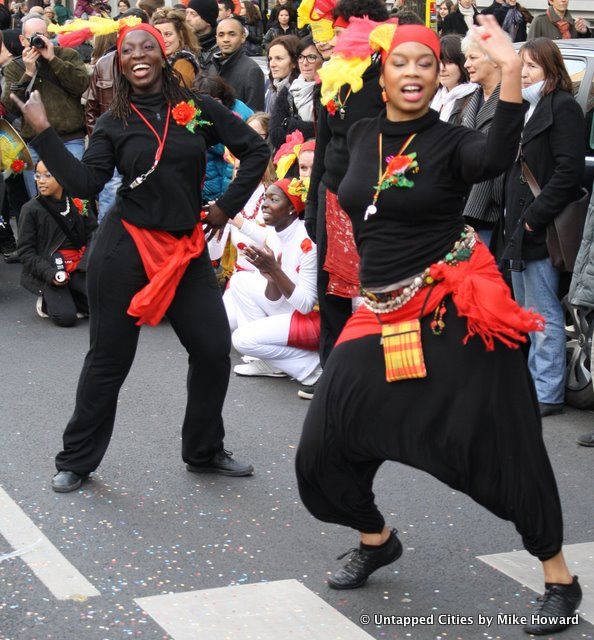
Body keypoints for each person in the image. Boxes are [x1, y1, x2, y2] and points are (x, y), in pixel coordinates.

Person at [295, 17, 582, 637]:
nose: (413, 73)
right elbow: (341, 188)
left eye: (425, 63)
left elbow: (497, 155)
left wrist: (510, 69)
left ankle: (559, 577)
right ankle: (377, 539)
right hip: (377, 309)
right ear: (383, 74)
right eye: (400, 62)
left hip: (448, 306)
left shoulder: (453, 141)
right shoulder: (363, 131)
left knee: (498, 442)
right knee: (323, 445)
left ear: (437, 75)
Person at [10, 22, 269, 492]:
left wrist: (227, 206)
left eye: (147, 46)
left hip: (185, 248)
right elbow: (87, 183)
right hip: (125, 249)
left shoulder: (197, 108)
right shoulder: (113, 122)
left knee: (213, 350)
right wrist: (43, 131)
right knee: (109, 358)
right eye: (127, 51)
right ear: (119, 63)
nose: (138, 55)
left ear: (162, 54)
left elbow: (255, 150)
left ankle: (204, 450)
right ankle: (76, 460)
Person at [303, 0, 389, 389]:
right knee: (330, 291)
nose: (333, 41)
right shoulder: (333, 76)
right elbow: (323, 144)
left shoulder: (388, 77)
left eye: (341, 33)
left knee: (376, 288)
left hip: (373, 200)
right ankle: (333, 374)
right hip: (332, 193)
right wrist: (312, 203)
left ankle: (378, 375)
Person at [504, 37, 585, 418]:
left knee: (542, 311)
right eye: (521, 65)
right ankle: (533, 386)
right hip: (519, 224)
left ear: (551, 70)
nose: (523, 73)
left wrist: (534, 217)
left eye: (532, 66)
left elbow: (568, 171)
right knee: (526, 310)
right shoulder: (527, 106)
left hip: (540, 225)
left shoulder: (563, 106)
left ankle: (547, 391)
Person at [226, 178, 322, 387]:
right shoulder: (273, 232)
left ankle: (311, 367)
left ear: (292, 209)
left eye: (273, 199)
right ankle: (269, 361)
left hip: (314, 320)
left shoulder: (308, 241)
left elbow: (306, 305)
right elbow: (274, 299)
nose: (265, 204)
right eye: (265, 198)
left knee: (241, 340)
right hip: (291, 309)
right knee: (240, 280)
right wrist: (271, 278)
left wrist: (275, 271)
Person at [1, 16, 89, 198]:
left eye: (41, 36)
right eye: (32, 37)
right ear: (22, 40)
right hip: (36, 144)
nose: (37, 42)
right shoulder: (15, 67)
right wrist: (28, 73)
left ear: (49, 36)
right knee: (40, 200)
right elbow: (10, 106)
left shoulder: (68, 55)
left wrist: (53, 59)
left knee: (77, 195)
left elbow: (81, 85)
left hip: (70, 139)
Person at [17, 160, 97, 326]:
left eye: (48, 175)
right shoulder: (30, 209)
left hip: (76, 266)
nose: (41, 181)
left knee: (104, 306)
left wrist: (84, 264)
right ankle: (46, 303)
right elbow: (25, 252)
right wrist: (50, 274)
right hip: (49, 268)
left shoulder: (78, 202)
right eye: (37, 176)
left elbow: (94, 235)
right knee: (66, 317)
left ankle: (73, 295)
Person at [459, 29, 504, 248]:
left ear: (494, 60)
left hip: (492, 214)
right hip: (463, 207)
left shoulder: (512, 101)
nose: (466, 64)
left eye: (473, 57)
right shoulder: (470, 99)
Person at [269, 36, 322, 150]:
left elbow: (326, 131)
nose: (304, 63)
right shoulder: (289, 91)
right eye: (301, 57)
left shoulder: (329, 89)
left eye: (311, 57)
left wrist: (291, 124)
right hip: (291, 156)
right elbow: (275, 135)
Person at [209, 16, 265, 111]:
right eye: (221, 35)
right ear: (216, 39)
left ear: (243, 37)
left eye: (232, 34)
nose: (226, 39)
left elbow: (255, 113)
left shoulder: (252, 70)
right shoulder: (212, 66)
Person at [430, 34, 477, 125]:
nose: (442, 68)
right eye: (438, 62)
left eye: (449, 62)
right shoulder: (431, 96)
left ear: (462, 63)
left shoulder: (475, 99)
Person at [152, 8, 201, 89]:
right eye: (158, 35)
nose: (163, 40)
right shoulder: (158, 60)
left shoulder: (183, 63)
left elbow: (178, 93)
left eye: (168, 34)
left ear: (180, 35)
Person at [264, 35, 299, 118]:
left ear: (294, 62)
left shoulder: (301, 91)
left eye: (278, 58)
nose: (272, 64)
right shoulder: (273, 87)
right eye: (270, 59)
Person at [185, 0, 219, 71]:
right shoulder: (184, 44)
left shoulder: (222, 47)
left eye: (193, 14)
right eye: (187, 13)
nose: (187, 18)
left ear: (208, 21)